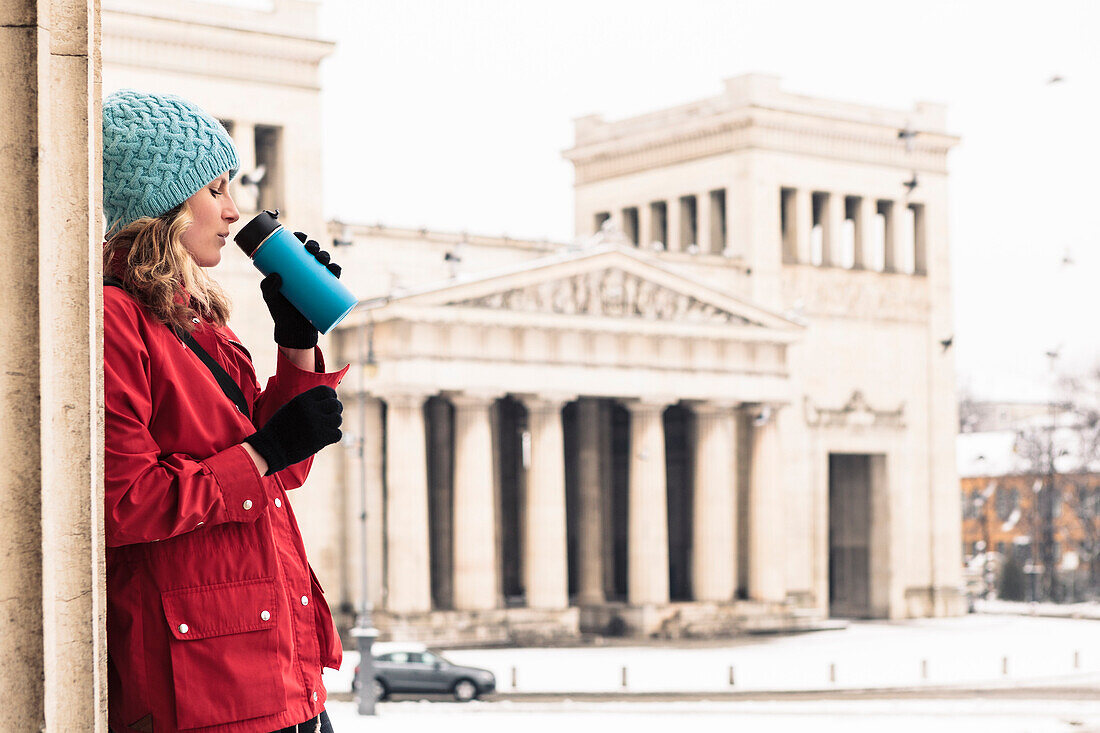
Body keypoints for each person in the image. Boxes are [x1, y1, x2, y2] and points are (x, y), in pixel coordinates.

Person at [102, 89, 345, 733]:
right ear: (163, 200)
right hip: (209, 692)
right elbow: (123, 503)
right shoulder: (113, 318)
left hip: (283, 673)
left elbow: (277, 474)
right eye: (215, 188)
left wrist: (296, 343)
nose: (234, 211)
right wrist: (265, 452)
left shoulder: (193, 314)